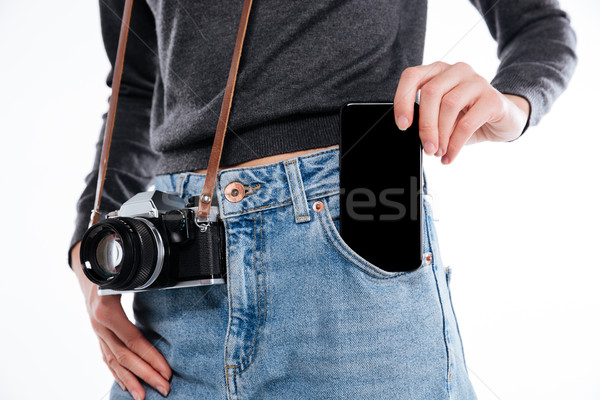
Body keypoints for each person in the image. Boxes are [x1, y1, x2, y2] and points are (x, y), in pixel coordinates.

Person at [69, 0, 577, 399]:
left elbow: (538, 21)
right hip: (175, 281)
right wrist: (86, 251)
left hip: (347, 248)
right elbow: (135, 88)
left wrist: (513, 105)